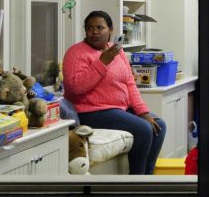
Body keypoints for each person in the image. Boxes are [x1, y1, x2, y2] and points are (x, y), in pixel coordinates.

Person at [62, 10, 166, 175]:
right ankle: (135, 183)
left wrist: (143, 112)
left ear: (110, 30)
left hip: (118, 109)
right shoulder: (76, 53)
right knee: (143, 129)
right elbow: (74, 87)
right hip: (91, 112)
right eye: (89, 28)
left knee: (158, 125)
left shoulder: (116, 50)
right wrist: (102, 62)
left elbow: (130, 83)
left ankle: (147, 177)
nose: (94, 32)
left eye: (100, 27)